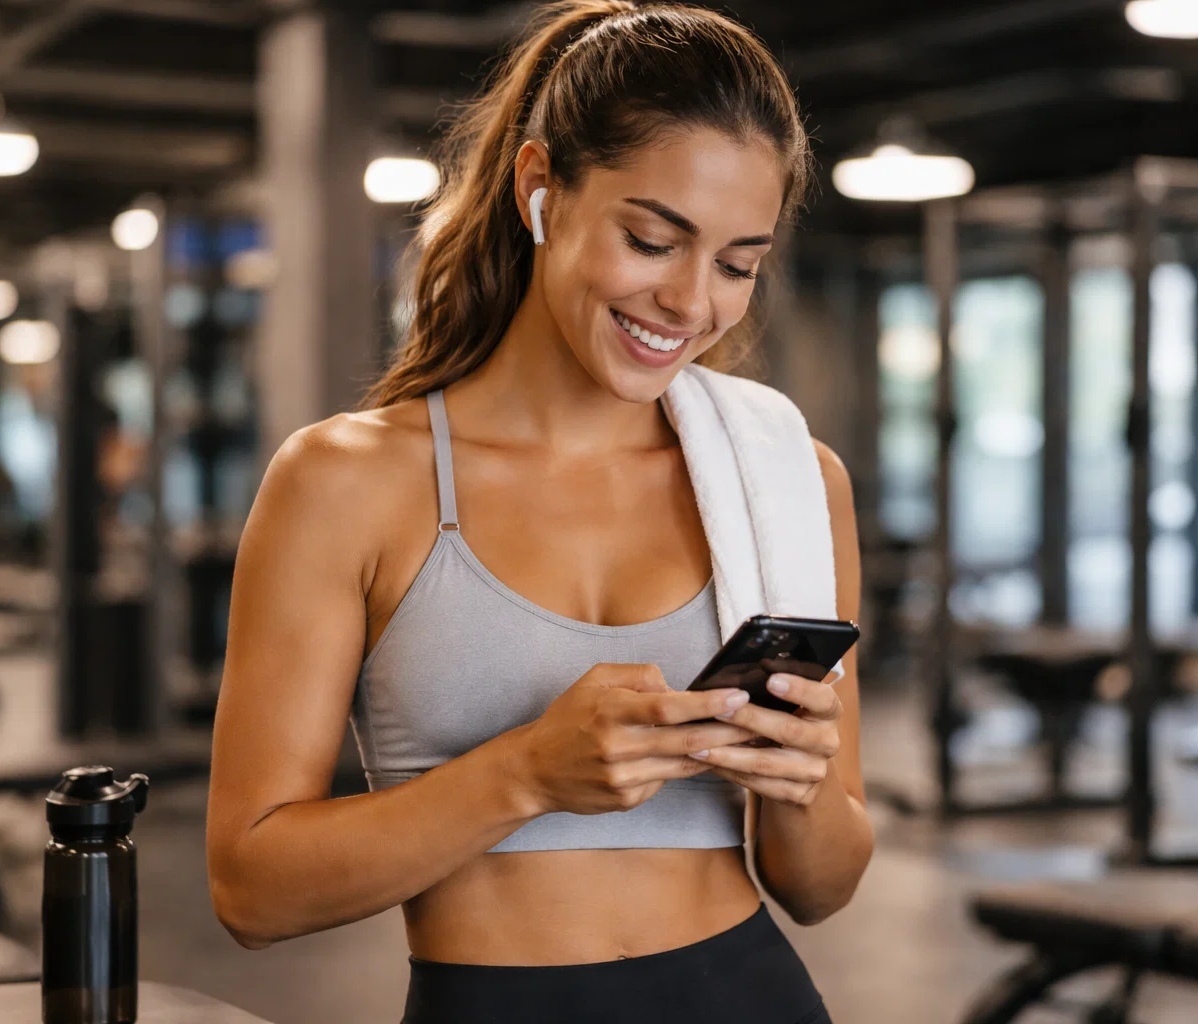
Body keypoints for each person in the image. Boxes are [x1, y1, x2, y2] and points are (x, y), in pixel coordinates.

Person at [206, 3, 874, 1021]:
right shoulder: (347, 483)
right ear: (539, 190)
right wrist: (525, 771)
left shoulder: (785, 476)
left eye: (739, 263)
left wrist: (799, 782)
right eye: (654, 240)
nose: (694, 304)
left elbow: (822, 887)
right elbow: (251, 889)